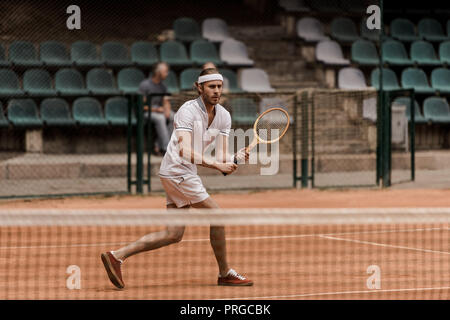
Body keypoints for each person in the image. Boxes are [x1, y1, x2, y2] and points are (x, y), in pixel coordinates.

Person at [101, 68, 253, 288]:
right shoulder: (187, 111)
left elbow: (220, 157)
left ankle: (116, 256)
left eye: (219, 86)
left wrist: (235, 158)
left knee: (173, 234)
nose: (216, 91)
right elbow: (184, 151)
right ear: (199, 88)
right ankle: (224, 273)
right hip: (176, 170)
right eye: (211, 86)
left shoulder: (224, 116)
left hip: (183, 173)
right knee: (218, 216)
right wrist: (217, 164)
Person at [138, 62, 174, 155]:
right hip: (147, 111)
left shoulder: (163, 86)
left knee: (174, 116)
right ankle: (166, 149)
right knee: (160, 118)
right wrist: (157, 110)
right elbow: (142, 106)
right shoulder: (145, 85)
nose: (167, 74)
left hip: (160, 110)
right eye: (165, 71)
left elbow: (166, 101)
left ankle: (159, 145)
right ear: (158, 72)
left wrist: (167, 109)